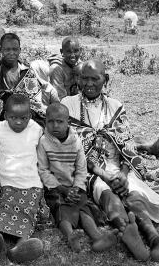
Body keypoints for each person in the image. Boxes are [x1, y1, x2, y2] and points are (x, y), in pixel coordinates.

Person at [62, 60, 159, 262]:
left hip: (117, 166)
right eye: (84, 78)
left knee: (133, 191)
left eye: (95, 79)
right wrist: (105, 175)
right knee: (107, 195)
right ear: (78, 79)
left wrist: (124, 174)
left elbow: (127, 144)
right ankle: (130, 235)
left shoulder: (115, 106)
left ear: (105, 80)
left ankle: (155, 239)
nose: (89, 83)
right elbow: (74, 149)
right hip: (89, 170)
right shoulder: (69, 105)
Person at [38, 103, 117, 253]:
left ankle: (97, 236)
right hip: (55, 188)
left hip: (74, 187)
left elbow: (81, 168)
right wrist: (62, 189)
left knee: (83, 208)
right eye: (50, 121)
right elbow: (43, 170)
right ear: (45, 122)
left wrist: (76, 187)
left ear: (68, 122)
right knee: (62, 209)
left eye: (60, 121)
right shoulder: (43, 142)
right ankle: (70, 236)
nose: (55, 125)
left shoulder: (75, 141)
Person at [0, 93, 44, 264]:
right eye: (13, 117)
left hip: (31, 184)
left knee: (28, 212)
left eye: (23, 118)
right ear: (5, 116)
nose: (18, 122)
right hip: (8, 183)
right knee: (4, 208)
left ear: (30, 116)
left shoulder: (36, 129)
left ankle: (20, 247)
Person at [0, 32, 61, 125]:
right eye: (7, 49)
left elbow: (35, 99)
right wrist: (15, 99)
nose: (11, 53)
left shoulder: (27, 71)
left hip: (28, 116)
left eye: (15, 49)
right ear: (1, 50)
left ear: (19, 50)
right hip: (3, 118)